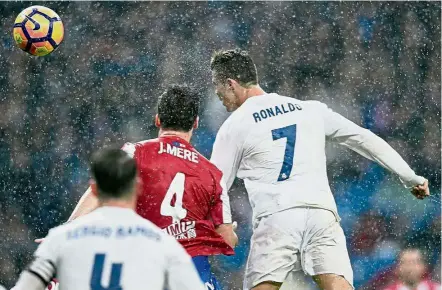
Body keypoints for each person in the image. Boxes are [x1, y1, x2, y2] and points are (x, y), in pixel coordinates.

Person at [209, 48, 430, 290]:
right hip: (320, 212)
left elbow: (215, 182)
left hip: (276, 215)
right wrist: (411, 177)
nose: (217, 92)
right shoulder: (309, 109)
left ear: (231, 83)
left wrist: (225, 224)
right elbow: (363, 138)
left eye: (216, 85)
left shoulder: (235, 125)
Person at [67, 85, 238, 290]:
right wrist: (228, 233)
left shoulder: (135, 153)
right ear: (195, 123)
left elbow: (99, 193)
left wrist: (69, 228)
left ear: (158, 119)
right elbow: (227, 240)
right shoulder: (212, 174)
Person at [13, 148, 205, 290]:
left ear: (94, 190)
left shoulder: (61, 239)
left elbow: (26, 287)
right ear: (138, 187)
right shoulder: (163, 245)